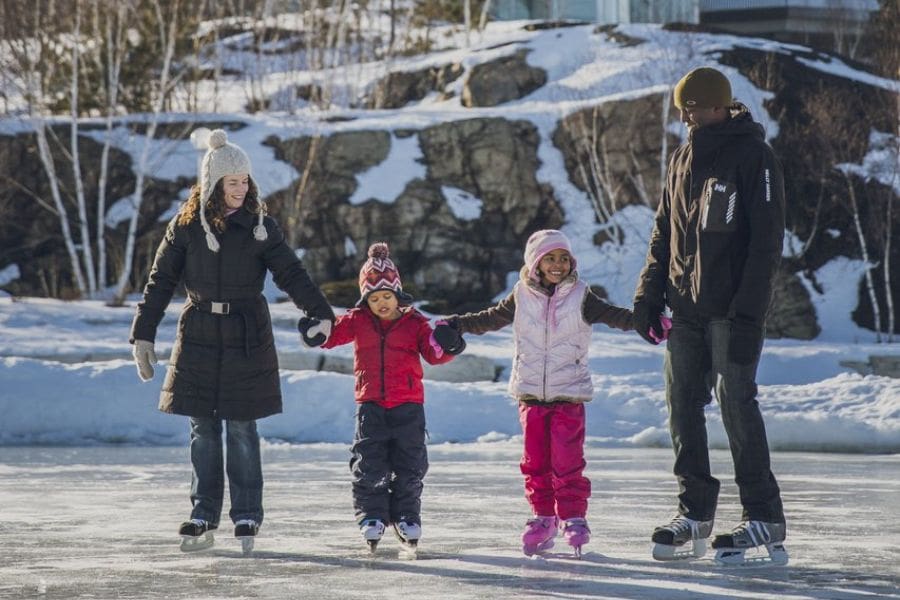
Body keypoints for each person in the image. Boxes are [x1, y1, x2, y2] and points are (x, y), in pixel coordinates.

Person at [130, 128, 335, 553]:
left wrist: (320, 313)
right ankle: (202, 512)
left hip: (246, 333)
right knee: (202, 427)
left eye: (245, 181)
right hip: (200, 331)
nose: (241, 189)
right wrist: (143, 336)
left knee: (242, 426)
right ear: (213, 184)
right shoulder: (185, 227)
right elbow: (159, 281)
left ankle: (246, 514)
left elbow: (291, 273)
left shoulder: (261, 228)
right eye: (232, 182)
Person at [632, 67, 788, 566]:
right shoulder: (681, 158)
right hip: (686, 308)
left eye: (696, 107)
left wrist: (748, 317)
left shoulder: (754, 157)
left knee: (736, 402)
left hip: (732, 311)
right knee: (681, 404)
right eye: (684, 109)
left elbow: (766, 244)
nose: (688, 117)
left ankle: (763, 514)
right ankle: (695, 511)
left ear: (721, 105)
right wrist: (647, 298)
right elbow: (664, 234)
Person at [437, 229, 636, 557]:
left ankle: (573, 517)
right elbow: (489, 318)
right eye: (550, 258)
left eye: (563, 258)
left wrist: (647, 323)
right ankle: (542, 518)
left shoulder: (582, 295)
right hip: (530, 395)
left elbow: (615, 316)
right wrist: (456, 324)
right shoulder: (520, 295)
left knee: (568, 463)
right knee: (535, 463)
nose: (557, 264)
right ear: (535, 263)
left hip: (568, 396)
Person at [298, 242, 459, 553]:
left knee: (410, 465)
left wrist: (448, 344)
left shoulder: (415, 324)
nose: (381, 303)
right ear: (365, 300)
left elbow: (435, 354)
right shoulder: (358, 320)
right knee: (369, 463)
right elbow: (333, 335)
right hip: (370, 405)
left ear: (397, 295)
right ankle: (372, 516)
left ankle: (406, 516)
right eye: (374, 298)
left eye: (387, 296)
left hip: (409, 406)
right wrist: (316, 333)